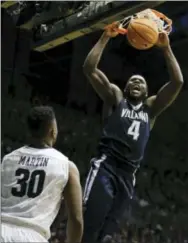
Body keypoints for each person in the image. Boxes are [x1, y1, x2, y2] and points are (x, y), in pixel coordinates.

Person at [82, 23, 183, 243]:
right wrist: (105, 38)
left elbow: (177, 82)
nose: (136, 82)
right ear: (126, 87)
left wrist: (166, 49)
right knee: (89, 228)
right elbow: (89, 69)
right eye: (132, 80)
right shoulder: (116, 98)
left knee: (107, 236)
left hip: (129, 175)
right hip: (106, 167)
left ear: (147, 91)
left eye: (141, 81)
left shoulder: (151, 108)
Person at [1, 106, 83, 243]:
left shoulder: (8, 159)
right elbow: (76, 219)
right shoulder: (66, 166)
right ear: (53, 130)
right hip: (33, 236)